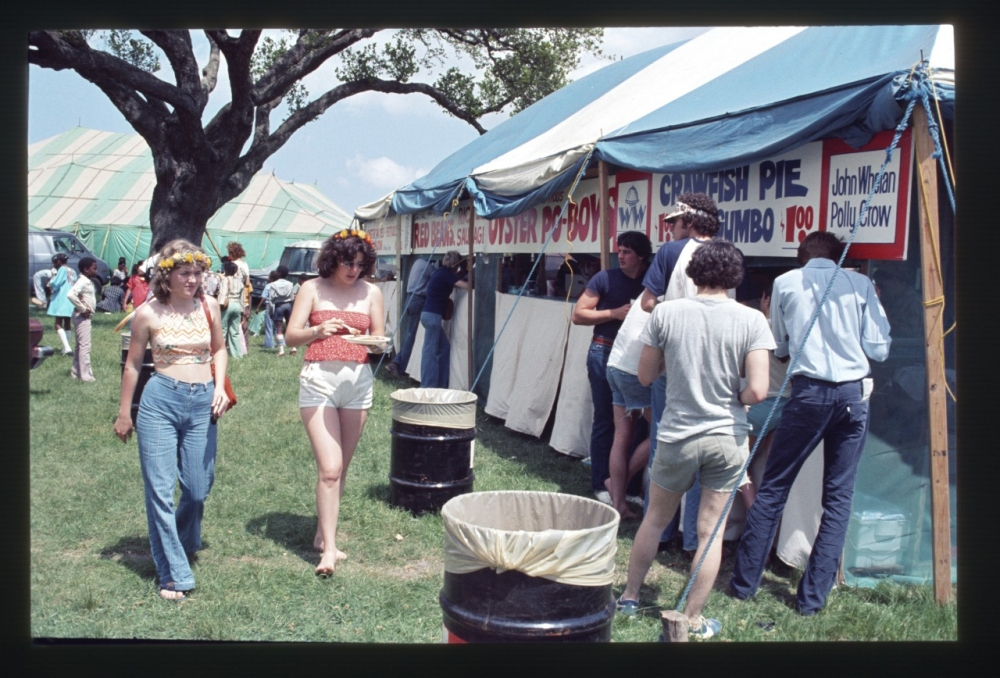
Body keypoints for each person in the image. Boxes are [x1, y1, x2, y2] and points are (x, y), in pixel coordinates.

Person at [729, 231, 891, 616]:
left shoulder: (785, 283)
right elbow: (879, 349)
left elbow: (780, 347)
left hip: (808, 393)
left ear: (801, 257)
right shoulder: (862, 283)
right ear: (839, 258)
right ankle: (812, 600)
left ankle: (743, 586)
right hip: (853, 395)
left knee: (775, 487)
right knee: (838, 497)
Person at [617, 240, 773, 640]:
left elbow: (646, 376)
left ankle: (630, 597)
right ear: (734, 277)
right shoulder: (752, 319)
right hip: (727, 435)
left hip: (677, 434)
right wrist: (733, 397)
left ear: (692, 272)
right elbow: (758, 391)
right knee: (710, 532)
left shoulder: (666, 313)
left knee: (654, 519)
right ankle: (693, 618)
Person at [113, 240, 229, 601]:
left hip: (202, 405)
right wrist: (123, 413)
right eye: (185, 272)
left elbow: (220, 349)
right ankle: (173, 574)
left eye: (197, 272)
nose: (193, 279)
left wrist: (220, 388)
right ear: (167, 275)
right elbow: (133, 364)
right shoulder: (148, 313)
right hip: (160, 402)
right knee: (160, 491)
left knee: (197, 489)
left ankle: (183, 540)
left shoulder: (209, 306)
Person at [284, 228, 385, 576]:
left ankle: (321, 534)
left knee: (340, 469)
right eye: (347, 262)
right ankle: (328, 551)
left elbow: (378, 341)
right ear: (332, 258)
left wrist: (371, 341)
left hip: (358, 383)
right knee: (329, 468)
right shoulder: (311, 288)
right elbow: (291, 335)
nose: (353, 270)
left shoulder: (372, 292)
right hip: (319, 380)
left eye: (360, 264)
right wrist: (318, 331)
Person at [639, 192, 732, 552]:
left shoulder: (669, 252)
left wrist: (676, 314)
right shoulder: (730, 255)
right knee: (708, 446)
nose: (671, 229)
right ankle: (694, 539)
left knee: (665, 440)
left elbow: (648, 302)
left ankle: (659, 531)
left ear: (689, 222)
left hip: (673, 360)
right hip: (718, 364)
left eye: (674, 222)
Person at [571, 232, 650, 505]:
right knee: (605, 418)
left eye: (628, 251)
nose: (621, 255)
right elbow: (578, 314)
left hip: (637, 357)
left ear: (641, 255)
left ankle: (626, 486)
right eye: (620, 250)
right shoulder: (605, 278)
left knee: (639, 422)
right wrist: (613, 313)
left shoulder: (650, 282)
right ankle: (601, 481)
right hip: (604, 351)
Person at [419, 251, 470, 389]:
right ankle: (428, 386)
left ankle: (440, 384)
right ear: (455, 263)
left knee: (443, 349)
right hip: (433, 316)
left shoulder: (440, 272)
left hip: (428, 314)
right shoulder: (446, 274)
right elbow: (467, 286)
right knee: (430, 353)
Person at [385, 255, 434, 377]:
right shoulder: (428, 266)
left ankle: (399, 363)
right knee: (412, 336)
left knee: (410, 334)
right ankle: (398, 364)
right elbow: (437, 278)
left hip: (410, 298)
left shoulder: (417, 262)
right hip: (418, 300)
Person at [65, 257, 100, 382]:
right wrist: (83, 309)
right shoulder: (83, 281)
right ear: (86, 269)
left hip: (82, 316)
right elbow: (70, 294)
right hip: (82, 317)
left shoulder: (86, 281)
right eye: (94, 269)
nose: (96, 271)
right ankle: (86, 376)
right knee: (85, 346)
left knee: (79, 346)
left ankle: (76, 372)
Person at [46, 253, 76, 355]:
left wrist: (51, 280)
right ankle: (65, 348)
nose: (54, 264)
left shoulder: (62, 270)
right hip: (70, 298)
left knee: (58, 323)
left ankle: (67, 348)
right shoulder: (72, 270)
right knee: (67, 323)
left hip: (61, 298)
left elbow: (56, 283)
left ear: (59, 261)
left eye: (55, 262)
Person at [227, 242, 252, 355]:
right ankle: (245, 346)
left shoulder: (232, 264)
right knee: (244, 322)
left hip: (231, 295)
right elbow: (247, 282)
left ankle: (229, 346)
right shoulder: (245, 264)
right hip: (243, 295)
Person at [267, 265, 297, 356]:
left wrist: (270, 310)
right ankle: (293, 347)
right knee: (290, 327)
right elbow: (292, 297)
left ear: (278, 273)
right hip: (288, 305)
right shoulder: (290, 284)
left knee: (279, 328)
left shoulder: (273, 285)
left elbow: (271, 298)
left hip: (279, 305)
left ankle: (281, 350)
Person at [218, 259, 244, 358]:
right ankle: (237, 355)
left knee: (222, 330)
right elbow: (242, 296)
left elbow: (223, 293)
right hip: (237, 304)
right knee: (235, 331)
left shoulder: (225, 279)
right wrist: (242, 310)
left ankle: (220, 352)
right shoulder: (239, 281)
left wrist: (220, 304)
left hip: (227, 304)